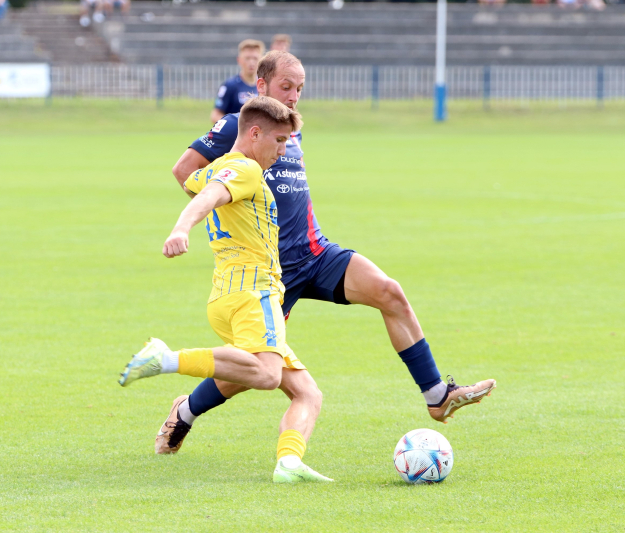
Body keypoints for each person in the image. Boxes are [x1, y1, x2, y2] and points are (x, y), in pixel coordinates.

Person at [158, 51, 497, 456]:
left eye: (300, 88)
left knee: (389, 292)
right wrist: (224, 217)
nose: (294, 96)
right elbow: (185, 170)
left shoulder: (290, 129)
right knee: (256, 369)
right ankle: (185, 411)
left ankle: (437, 395)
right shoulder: (239, 126)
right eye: (286, 87)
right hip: (270, 273)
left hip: (316, 252)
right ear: (261, 86)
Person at [119, 96, 332, 484]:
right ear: (255, 134)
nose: (282, 151)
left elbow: (196, 182)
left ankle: (288, 464)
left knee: (307, 392)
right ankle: (165, 358)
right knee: (267, 375)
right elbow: (209, 196)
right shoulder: (246, 169)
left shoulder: (216, 168)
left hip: (226, 295)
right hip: (254, 293)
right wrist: (181, 228)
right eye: (279, 141)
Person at [209, 39, 265, 124]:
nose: (251, 62)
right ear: (239, 60)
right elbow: (215, 115)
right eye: (247, 58)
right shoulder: (230, 85)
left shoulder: (265, 86)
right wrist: (237, 126)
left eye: (255, 58)